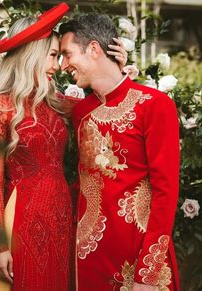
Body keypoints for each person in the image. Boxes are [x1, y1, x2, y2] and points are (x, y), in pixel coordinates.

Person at [0, 3, 126, 291]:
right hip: (21, 220)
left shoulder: (55, 103)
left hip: (62, 217)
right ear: (32, 55)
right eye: (53, 56)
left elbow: (105, 109)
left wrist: (116, 70)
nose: (58, 66)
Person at [59, 13, 180, 291]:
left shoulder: (155, 105)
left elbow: (166, 191)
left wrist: (147, 274)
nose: (63, 64)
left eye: (67, 54)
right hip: (89, 261)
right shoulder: (81, 112)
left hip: (140, 260)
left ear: (93, 49)